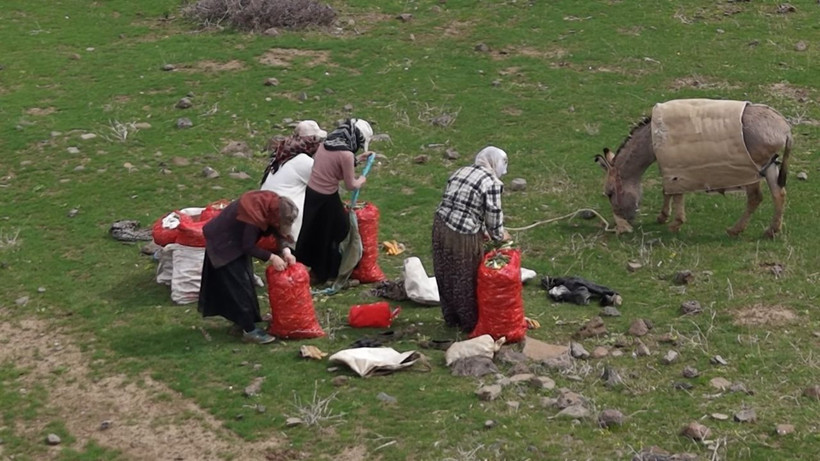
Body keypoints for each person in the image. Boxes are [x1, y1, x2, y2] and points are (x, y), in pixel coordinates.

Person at [198, 190, 298, 344]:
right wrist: (271, 257)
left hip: (236, 240)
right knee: (239, 286)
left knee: (246, 281)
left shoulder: (270, 206)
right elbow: (248, 246)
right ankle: (249, 331)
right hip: (224, 242)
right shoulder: (253, 215)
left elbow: (277, 230)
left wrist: (286, 251)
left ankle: (243, 322)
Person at [432, 146, 512, 333]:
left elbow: (462, 204)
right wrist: (500, 235)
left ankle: (450, 318)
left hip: (440, 226)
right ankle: (469, 322)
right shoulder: (491, 183)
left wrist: (482, 229)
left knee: (445, 271)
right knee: (465, 275)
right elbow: (493, 215)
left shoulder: (461, 171)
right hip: (462, 235)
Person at [295, 118, 373, 285]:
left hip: (312, 194)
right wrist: (363, 179)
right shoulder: (346, 154)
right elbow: (351, 184)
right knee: (338, 231)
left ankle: (314, 269)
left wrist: (357, 160)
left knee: (315, 232)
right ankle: (332, 271)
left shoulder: (326, 144)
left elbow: (334, 170)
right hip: (326, 198)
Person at [260, 120, 327, 183]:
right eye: (317, 140)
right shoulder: (304, 161)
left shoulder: (281, 154)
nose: (319, 144)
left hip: (269, 194)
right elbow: (324, 184)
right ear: (311, 141)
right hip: (285, 195)